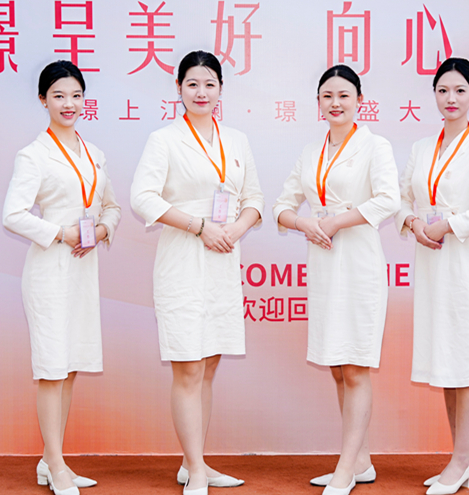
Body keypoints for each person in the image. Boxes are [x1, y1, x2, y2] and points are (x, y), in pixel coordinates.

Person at [130, 50, 264, 495]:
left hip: (223, 258)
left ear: (221, 89)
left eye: (209, 84)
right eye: (192, 84)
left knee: (208, 365)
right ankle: (197, 470)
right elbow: (143, 198)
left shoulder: (237, 140)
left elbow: (255, 199)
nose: (201, 92)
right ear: (179, 89)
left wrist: (234, 230)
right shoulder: (164, 140)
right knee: (188, 367)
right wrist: (199, 227)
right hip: (183, 259)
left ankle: (195, 464)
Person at [273, 65, 400, 495]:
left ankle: (345, 469)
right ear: (318, 103)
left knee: (356, 366)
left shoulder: (375, 145)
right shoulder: (311, 151)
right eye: (327, 96)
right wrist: (304, 223)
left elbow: (388, 199)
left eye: (344, 95)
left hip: (359, 264)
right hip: (324, 265)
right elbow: (281, 206)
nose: (335, 103)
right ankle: (360, 460)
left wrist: (336, 222)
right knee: (337, 366)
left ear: (359, 100)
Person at [2, 60, 121, 495]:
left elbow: (112, 206)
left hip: (83, 270)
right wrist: (61, 233)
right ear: (43, 100)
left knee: (69, 368)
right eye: (58, 96)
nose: (68, 104)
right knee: (52, 369)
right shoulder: (33, 155)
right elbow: (12, 215)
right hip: (50, 272)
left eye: (75, 95)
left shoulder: (94, 153)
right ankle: (55, 464)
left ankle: (51, 459)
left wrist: (102, 231)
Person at [395, 58, 469, 495]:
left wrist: (448, 225)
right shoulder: (422, 147)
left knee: (464, 366)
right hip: (429, 265)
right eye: (443, 90)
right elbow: (401, 197)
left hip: (461, 267)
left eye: (460, 90)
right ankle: (465, 457)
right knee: (444, 363)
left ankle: (460, 461)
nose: (451, 99)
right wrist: (412, 222)